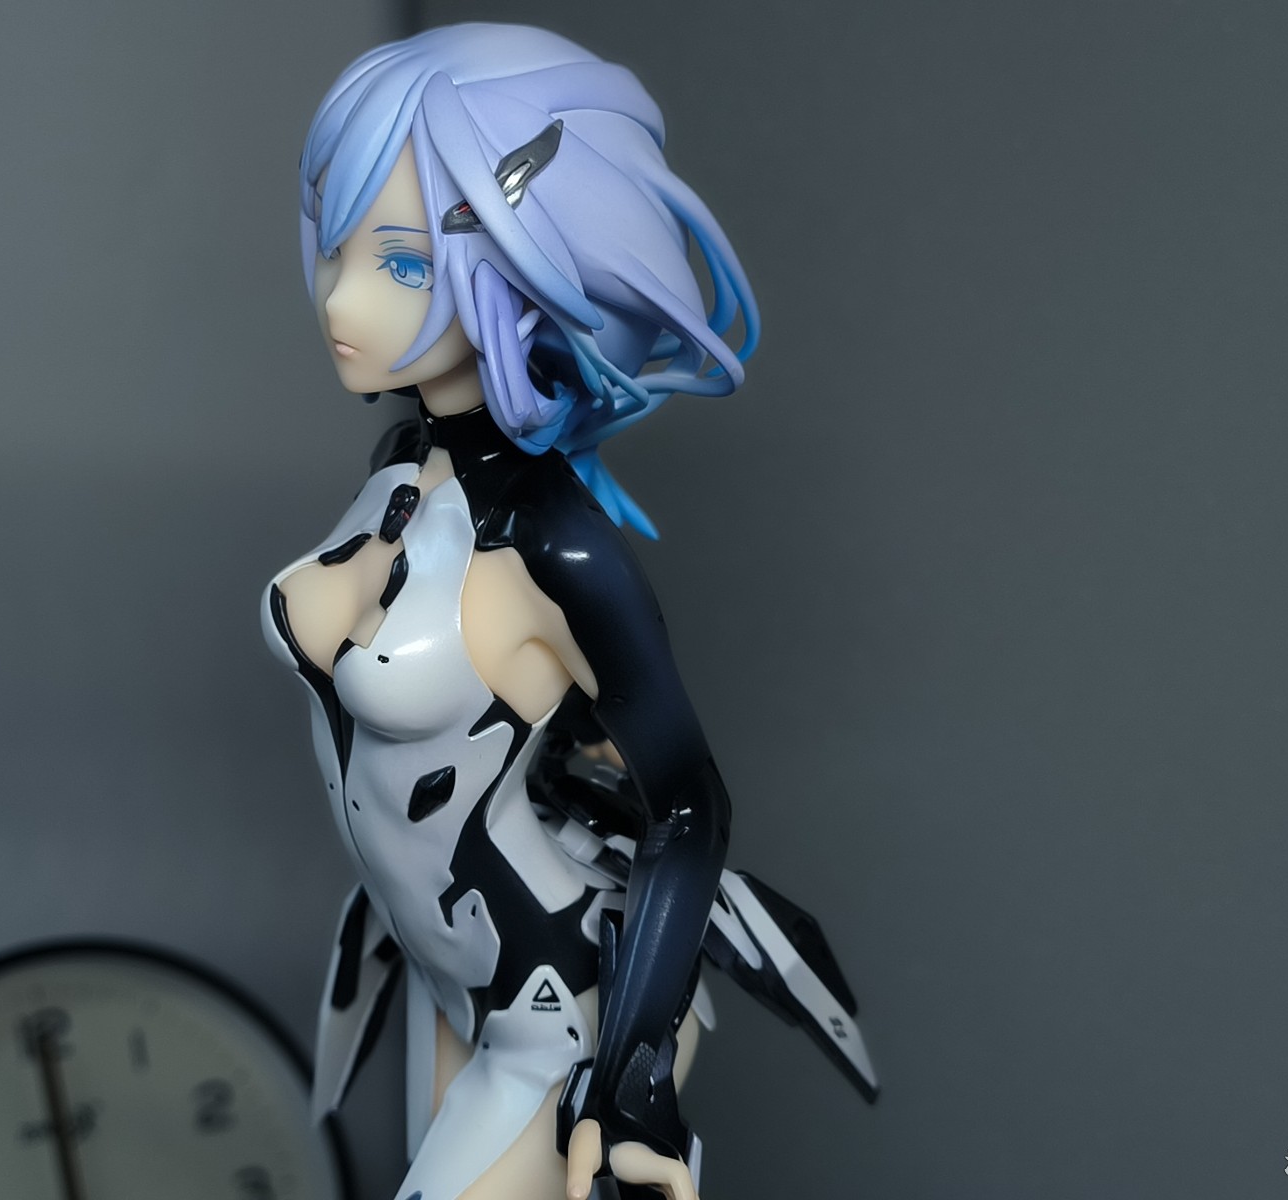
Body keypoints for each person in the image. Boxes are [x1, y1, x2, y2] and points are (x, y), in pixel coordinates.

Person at [261, 25, 876, 1200]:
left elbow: (689, 801)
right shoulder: (400, 469)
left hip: (555, 1005)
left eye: (404, 264)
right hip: (443, 967)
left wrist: (633, 1074)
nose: (340, 294)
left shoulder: (555, 542)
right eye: (337, 244)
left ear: (527, 267)